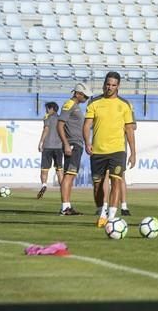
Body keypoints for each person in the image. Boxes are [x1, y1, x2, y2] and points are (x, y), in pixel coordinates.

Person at [83, 72, 137, 228]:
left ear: (118, 86)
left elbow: (129, 130)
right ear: (104, 84)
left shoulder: (124, 104)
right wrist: (87, 142)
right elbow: (87, 125)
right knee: (98, 185)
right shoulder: (94, 103)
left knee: (116, 181)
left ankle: (112, 217)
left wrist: (133, 152)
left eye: (113, 85)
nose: (110, 87)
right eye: (108, 84)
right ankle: (102, 211)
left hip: (117, 150)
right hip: (98, 150)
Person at [56, 83, 92, 215]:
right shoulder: (69, 104)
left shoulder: (75, 106)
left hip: (76, 144)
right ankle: (65, 207)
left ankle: (67, 206)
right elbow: (60, 125)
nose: (87, 98)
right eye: (85, 96)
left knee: (70, 176)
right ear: (77, 94)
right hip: (72, 144)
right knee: (69, 176)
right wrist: (66, 143)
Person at [37, 102, 63, 199]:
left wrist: (41, 142)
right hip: (59, 147)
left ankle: (44, 185)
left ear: (51, 108)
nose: (46, 110)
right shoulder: (61, 118)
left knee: (44, 169)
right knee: (59, 169)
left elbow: (46, 129)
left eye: (47, 108)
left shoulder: (47, 117)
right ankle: (63, 189)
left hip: (48, 146)